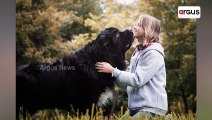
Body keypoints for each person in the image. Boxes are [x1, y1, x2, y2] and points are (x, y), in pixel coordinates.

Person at [95, 14, 168, 119]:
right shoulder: (137, 53)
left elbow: (137, 80)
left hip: (151, 108)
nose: (135, 27)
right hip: (135, 108)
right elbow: (128, 84)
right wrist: (110, 74)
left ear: (149, 30)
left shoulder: (153, 54)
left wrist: (113, 70)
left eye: (140, 25)